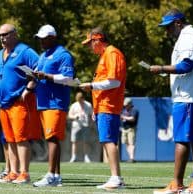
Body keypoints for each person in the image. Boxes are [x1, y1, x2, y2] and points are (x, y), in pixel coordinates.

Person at [150, 9, 193, 193]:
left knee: (182, 140)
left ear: (178, 23)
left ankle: (176, 185)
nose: (167, 31)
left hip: (188, 96)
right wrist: (164, 70)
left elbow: (186, 66)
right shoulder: (189, 37)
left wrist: (161, 67)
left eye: (168, 27)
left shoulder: (188, 37)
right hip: (192, 96)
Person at [0, 23, 41, 184]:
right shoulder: (0, 54)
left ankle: (24, 173)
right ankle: (13, 172)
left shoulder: (24, 51)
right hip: (3, 104)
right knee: (9, 140)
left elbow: (40, 68)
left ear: (14, 34)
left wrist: (29, 89)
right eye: (0, 35)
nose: (2, 38)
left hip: (18, 102)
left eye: (5, 34)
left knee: (21, 139)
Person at [79, 26, 126, 190]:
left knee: (108, 141)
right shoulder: (106, 54)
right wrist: (95, 107)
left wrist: (91, 85)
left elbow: (114, 82)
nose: (90, 47)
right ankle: (116, 177)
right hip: (104, 106)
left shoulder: (112, 53)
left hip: (109, 105)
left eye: (91, 43)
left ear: (98, 39)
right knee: (108, 141)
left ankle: (116, 178)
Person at [30, 24, 75, 187]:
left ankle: (50, 175)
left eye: (44, 39)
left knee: (52, 138)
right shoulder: (43, 55)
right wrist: (32, 76)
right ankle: (56, 175)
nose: (41, 41)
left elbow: (68, 78)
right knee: (52, 138)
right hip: (43, 102)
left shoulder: (63, 55)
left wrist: (47, 76)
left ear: (53, 38)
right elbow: (38, 72)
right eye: (40, 39)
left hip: (55, 102)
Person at [68, 91, 93, 163]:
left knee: (86, 141)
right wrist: (75, 116)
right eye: (78, 100)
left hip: (86, 125)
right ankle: (73, 157)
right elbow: (69, 115)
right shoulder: (74, 105)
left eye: (81, 100)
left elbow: (91, 115)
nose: (80, 101)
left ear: (83, 98)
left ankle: (86, 157)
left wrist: (91, 123)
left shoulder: (88, 104)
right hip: (76, 125)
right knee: (74, 141)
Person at [120, 97, 139, 163]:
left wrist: (123, 117)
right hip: (124, 129)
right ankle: (130, 157)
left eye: (127, 104)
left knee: (131, 143)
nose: (125, 106)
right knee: (126, 143)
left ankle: (132, 158)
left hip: (131, 129)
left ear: (130, 104)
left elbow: (132, 118)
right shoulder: (123, 110)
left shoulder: (134, 110)